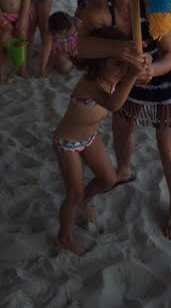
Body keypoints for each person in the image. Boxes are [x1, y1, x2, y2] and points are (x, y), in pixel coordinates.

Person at [78, 0, 171, 240]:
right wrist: (119, 48)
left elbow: (169, 56)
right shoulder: (100, 9)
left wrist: (151, 70)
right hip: (130, 70)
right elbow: (83, 47)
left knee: (167, 146)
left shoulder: (156, 0)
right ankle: (123, 170)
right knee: (122, 126)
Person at [53, 28, 144, 255]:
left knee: (108, 179)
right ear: (99, 62)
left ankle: (84, 202)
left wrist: (142, 65)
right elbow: (113, 105)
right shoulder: (90, 82)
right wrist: (132, 76)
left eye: (126, 66)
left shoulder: (114, 79)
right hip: (68, 143)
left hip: (89, 138)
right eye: (117, 64)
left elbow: (140, 72)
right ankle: (64, 236)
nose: (123, 71)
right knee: (72, 193)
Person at [39, 11, 80, 77]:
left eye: (63, 32)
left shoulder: (77, 23)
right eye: (58, 33)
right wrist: (42, 68)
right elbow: (46, 49)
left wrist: (78, 48)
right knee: (64, 67)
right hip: (59, 53)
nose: (62, 35)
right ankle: (69, 63)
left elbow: (85, 38)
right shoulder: (49, 31)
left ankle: (72, 62)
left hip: (75, 49)